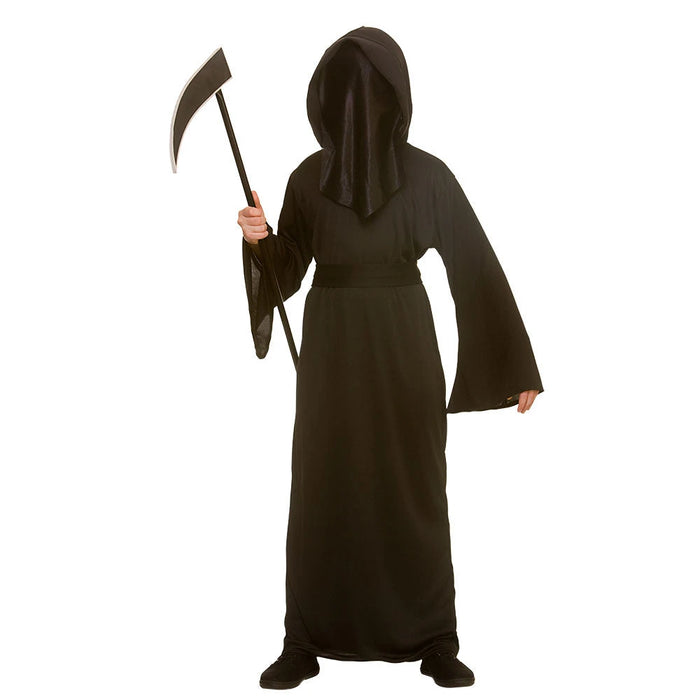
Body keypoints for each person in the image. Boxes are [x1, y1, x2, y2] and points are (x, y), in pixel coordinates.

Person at [237, 26, 543, 690]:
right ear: (325, 97)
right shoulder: (308, 178)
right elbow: (286, 273)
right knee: (323, 485)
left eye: (370, 92)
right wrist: (260, 241)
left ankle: (435, 638)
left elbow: (473, 263)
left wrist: (514, 363)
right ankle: (304, 640)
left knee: (414, 484)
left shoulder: (427, 175)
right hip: (332, 352)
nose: (358, 107)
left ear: (395, 98)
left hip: (403, 348)